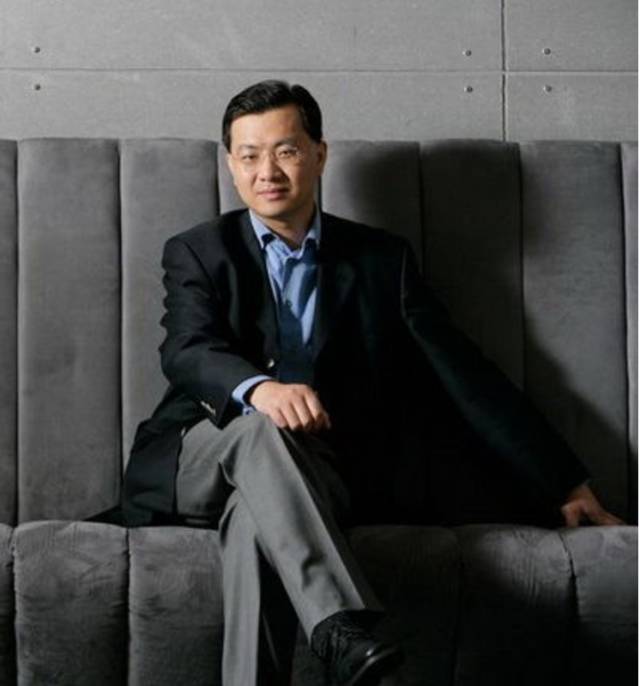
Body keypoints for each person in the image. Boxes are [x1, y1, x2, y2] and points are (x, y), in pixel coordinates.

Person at [118, 80, 624, 686]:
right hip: (201, 455)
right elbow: (186, 349)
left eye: (285, 151)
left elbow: (466, 374)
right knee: (259, 433)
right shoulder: (199, 252)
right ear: (231, 164)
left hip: (316, 472)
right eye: (249, 155)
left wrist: (561, 478)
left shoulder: (381, 260)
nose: (266, 172)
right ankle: (342, 627)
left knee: (257, 521)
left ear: (319, 154)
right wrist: (260, 390)